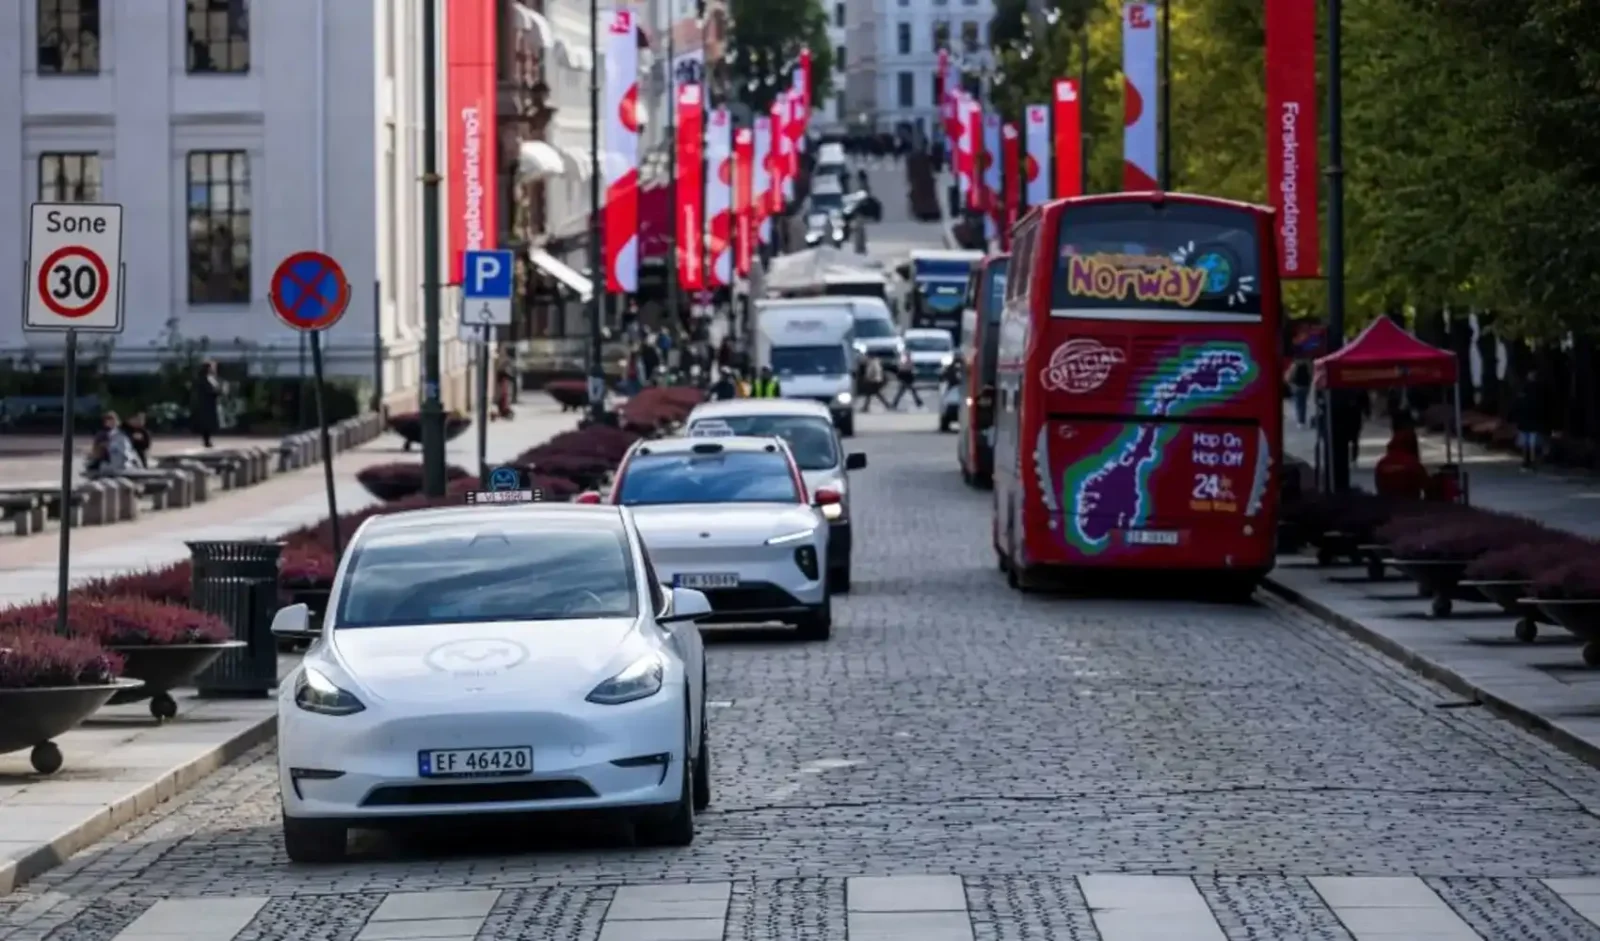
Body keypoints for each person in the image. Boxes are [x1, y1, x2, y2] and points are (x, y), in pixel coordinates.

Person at [1374, 426, 1430, 500]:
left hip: (1386, 505)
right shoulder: (1413, 464)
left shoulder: (1382, 464)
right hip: (1410, 505)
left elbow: (1379, 486)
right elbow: (1426, 485)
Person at [1513, 369, 1546, 470]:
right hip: (1534, 421)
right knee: (1534, 442)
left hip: (1526, 421)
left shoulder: (1524, 390)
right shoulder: (1540, 390)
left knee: (1527, 443)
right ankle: (1534, 461)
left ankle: (1527, 461)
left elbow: (1518, 405)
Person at [190, 360, 221, 448]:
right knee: (206, 423)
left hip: (208, 403)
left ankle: (207, 440)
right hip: (205, 404)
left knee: (208, 423)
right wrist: (217, 391)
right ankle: (206, 440)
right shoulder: (204, 378)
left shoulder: (209, 378)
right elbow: (209, 390)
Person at [1287, 358, 1312, 428]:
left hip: (1297, 387)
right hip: (1305, 386)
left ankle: (1300, 421)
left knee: (1298, 404)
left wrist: (1291, 385)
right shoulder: (1308, 363)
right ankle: (1302, 420)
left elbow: (1289, 377)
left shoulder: (1294, 365)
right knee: (1303, 403)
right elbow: (1311, 375)